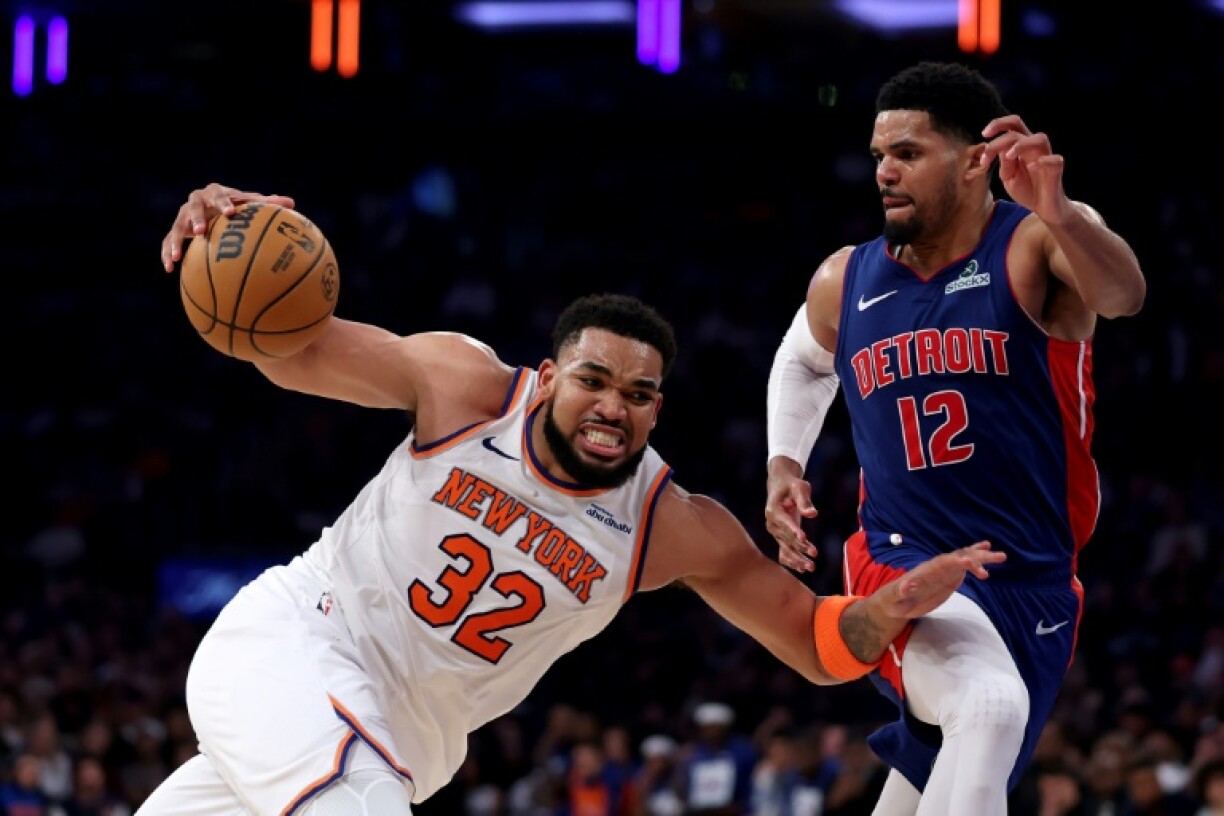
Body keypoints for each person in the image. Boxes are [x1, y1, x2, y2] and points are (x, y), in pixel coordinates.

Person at [136, 182, 1005, 816]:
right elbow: (289, 351)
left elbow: (818, 644)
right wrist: (229, 238)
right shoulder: (465, 389)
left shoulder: (669, 527)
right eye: (593, 380)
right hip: (298, 645)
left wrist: (890, 605)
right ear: (549, 377)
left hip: (403, 743)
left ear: (657, 409)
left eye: (637, 394)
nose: (611, 407)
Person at [763, 60, 1146, 816]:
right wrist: (783, 461)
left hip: (1033, 578)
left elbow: (1124, 296)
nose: (885, 172)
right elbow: (802, 361)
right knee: (989, 709)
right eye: (879, 156)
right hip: (901, 560)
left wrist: (1063, 210)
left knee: (930, 783)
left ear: (975, 160)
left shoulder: (1038, 239)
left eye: (908, 153)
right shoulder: (846, 277)